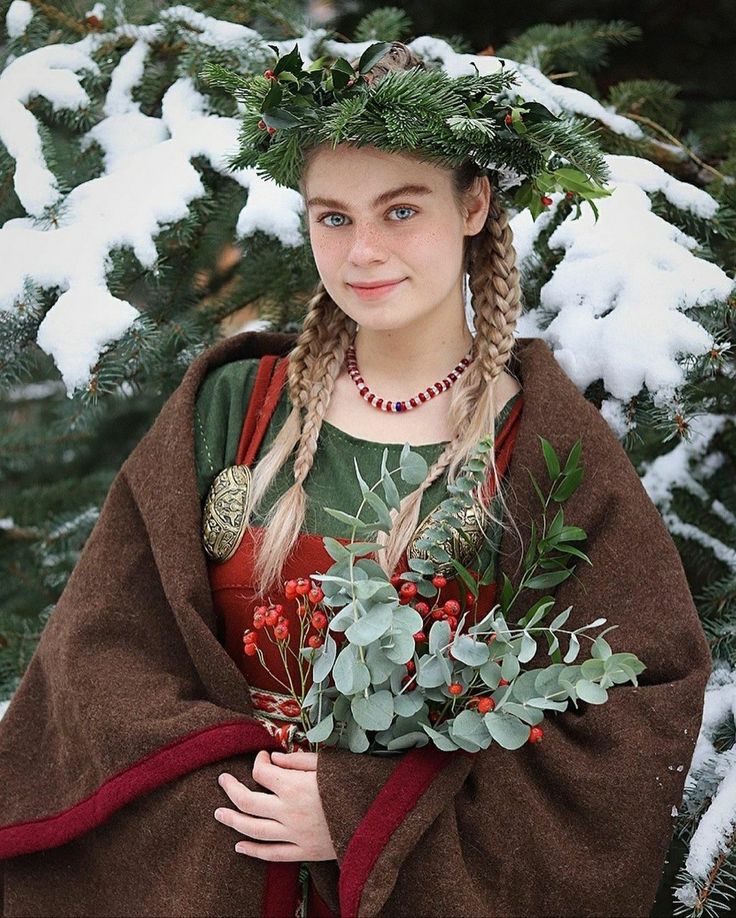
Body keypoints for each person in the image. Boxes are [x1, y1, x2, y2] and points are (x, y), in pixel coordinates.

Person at [0, 42, 711, 918]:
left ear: (475, 204)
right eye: (332, 217)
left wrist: (366, 807)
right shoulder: (233, 408)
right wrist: (251, 794)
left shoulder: (544, 449)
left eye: (401, 210)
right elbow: (102, 656)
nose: (363, 251)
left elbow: (634, 705)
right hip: (213, 867)